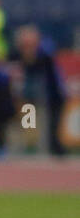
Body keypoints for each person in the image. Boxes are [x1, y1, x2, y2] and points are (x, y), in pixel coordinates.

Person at [11, 25, 67, 156]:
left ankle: (52, 147)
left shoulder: (45, 50)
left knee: (51, 124)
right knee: (29, 119)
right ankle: (30, 146)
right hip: (31, 96)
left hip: (54, 94)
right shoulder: (18, 54)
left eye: (29, 43)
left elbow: (44, 60)